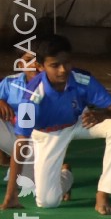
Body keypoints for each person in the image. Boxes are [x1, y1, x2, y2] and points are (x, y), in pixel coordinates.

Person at [12, 34, 111, 212]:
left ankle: (103, 193)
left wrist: (103, 115)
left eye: (66, 63)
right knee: (47, 202)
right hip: (48, 133)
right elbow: (21, 142)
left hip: (79, 122)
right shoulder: (30, 97)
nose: (63, 70)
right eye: (55, 65)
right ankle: (66, 175)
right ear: (40, 66)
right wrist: (11, 194)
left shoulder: (82, 79)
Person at [0, 50, 71, 208]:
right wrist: (1, 102)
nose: (33, 64)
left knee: (35, 188)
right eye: (28, 60)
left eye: (36, 59)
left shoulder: (56, 85)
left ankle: (65, 174)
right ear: (20, 65)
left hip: (40, 141)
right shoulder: (10, 82)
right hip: (17, 137)